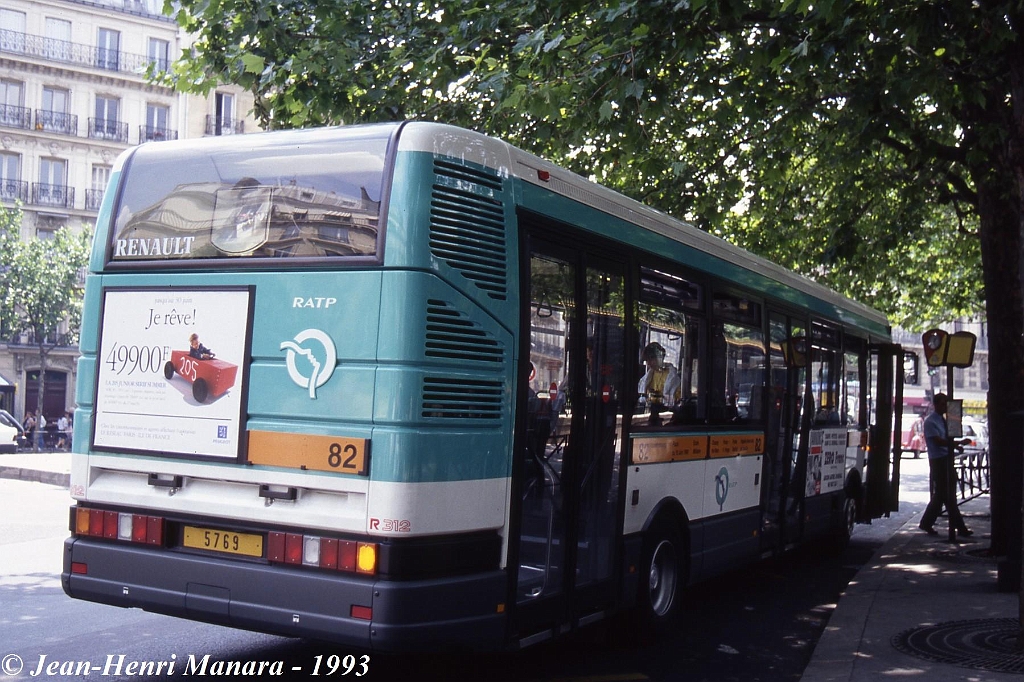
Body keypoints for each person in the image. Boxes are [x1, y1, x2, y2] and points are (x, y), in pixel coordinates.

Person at [918, 393, 973, 539]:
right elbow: (937, 441)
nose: (945, 407)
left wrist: (956, 445)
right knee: (946, 495)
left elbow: (946, 439)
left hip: (945, 458)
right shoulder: (931, 421)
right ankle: (960, 528)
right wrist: (957, 444)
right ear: (936, 404)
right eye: (943, 404)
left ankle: (927, 522)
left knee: (943, 495)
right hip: (938, 460)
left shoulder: (943, 420)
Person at [637, 342, 679, 425]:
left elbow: (675, 399)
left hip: (665, 415)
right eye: (647, 360)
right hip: (649, 413)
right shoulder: (647, 377)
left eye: (651, 359)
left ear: (659, 357)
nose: (648, 363)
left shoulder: (673, 377)